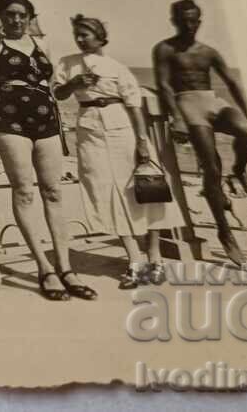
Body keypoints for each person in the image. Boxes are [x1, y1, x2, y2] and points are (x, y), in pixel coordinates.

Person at [0, 0, 95, 301]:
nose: (16, 19)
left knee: (53, 191)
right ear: (0, 16)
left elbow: (51, 85)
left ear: (29, 17)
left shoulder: (42, 44)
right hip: (6, 115)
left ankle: (66, 267)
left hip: (44, 115)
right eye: (10, 14)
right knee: (24, 189)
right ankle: (44, 267)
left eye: (22, 14)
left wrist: (73, 87)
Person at [53, 15, 185, 289]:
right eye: (77, 34)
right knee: (106, 193)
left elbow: (134, 105)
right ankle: (135, 260)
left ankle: (155, 258)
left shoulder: (118, 68)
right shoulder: (67, 63)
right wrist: (75, 84)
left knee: (146, 190)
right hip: (89, 129)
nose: (79, 39)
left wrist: (141, 140)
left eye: (85, 34)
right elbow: (58, 94)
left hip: (121, 127)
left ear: (100, 37)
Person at [153, 0, 247, 266]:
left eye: (193, 20)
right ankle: (225, 232)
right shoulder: (165, 49)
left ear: (199, 21)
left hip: (211, 101)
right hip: (188, 105)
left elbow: (232, 82)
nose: (189, 26)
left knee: (246, 132)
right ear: (174, 21)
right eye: (183, 20)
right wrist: (176, 118)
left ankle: (239, 170)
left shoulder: (208, 52)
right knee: (211, 169)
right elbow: (164, 85)